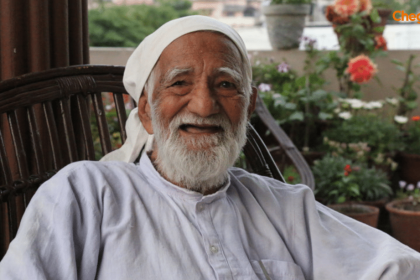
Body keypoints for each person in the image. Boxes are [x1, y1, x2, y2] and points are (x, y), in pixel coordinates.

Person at [1, 15, 420, 280]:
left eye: (225, 85)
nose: (204, 105)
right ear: (146, 110)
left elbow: (399, 268)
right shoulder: (86, 193)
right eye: (180, 83)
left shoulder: (286, 207)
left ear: (248, 106)